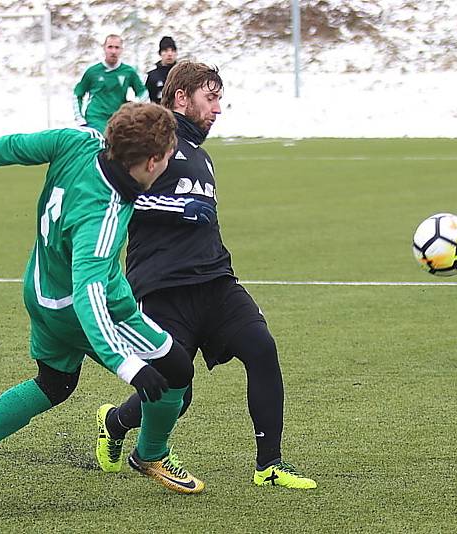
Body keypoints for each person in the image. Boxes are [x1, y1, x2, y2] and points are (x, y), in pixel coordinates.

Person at [0, 103, 205, 509]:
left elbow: (8, 147)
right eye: (168, 156)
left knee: (55, 383)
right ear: (151, 161)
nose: (169, 163)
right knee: (176, 369)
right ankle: (150, 454)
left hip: (41, 288)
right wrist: (125, 364)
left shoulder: (77, 141)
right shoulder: (104, 213)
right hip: (79, 307)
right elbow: (90, 294)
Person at [95, 61, 317, 489]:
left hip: (215, 281)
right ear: (182, 98)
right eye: (211, 97)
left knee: (261, 347)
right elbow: (115, 195)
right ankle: (116, 423)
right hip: (162, 286)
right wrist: (175, 208)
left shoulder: (201, 155)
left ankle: (269, 465)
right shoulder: (150, 143)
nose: (218, 108)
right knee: (175, 391)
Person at [73, 35, 148, 132]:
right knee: (100, 144)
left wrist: (140, 113)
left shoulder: (128, 71)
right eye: (110, 47)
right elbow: (77, 94)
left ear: (121, 50)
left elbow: (142, 93)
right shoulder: (93, 71)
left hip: (118, 120)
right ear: (104, 48)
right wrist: (79, 118)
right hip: (95, 119)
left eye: (117, 48)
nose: (113, 51)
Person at [145, 36, 177, 104]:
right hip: (158, 111)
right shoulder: (151, 76)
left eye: (172, 50)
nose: (169, 54)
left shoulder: (182, 74)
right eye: (165, 51)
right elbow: (148, 99)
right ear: (160, 53)